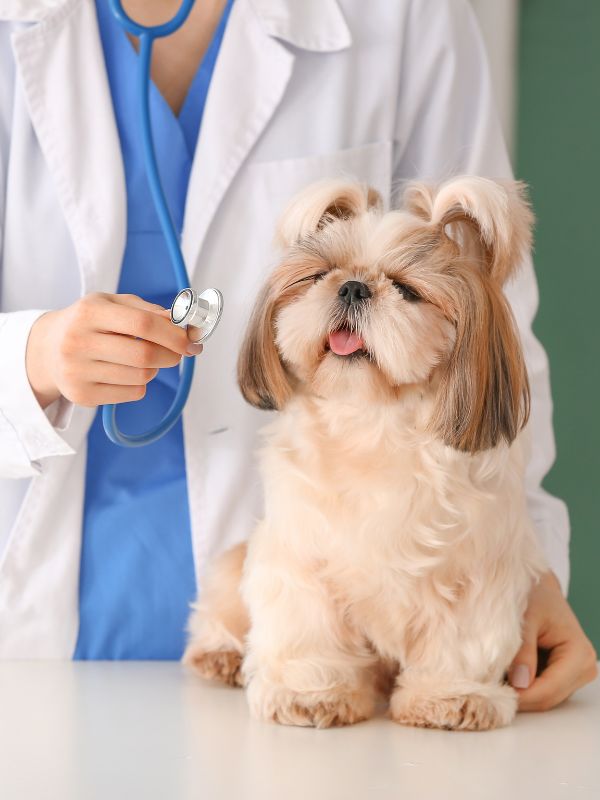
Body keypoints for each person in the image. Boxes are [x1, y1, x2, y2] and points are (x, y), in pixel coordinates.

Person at [0, 0, 596, 707]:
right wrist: (28, 358)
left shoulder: (410, 14)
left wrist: (526, 566)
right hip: (45, 624)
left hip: (364, 628)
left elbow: (492, 308)